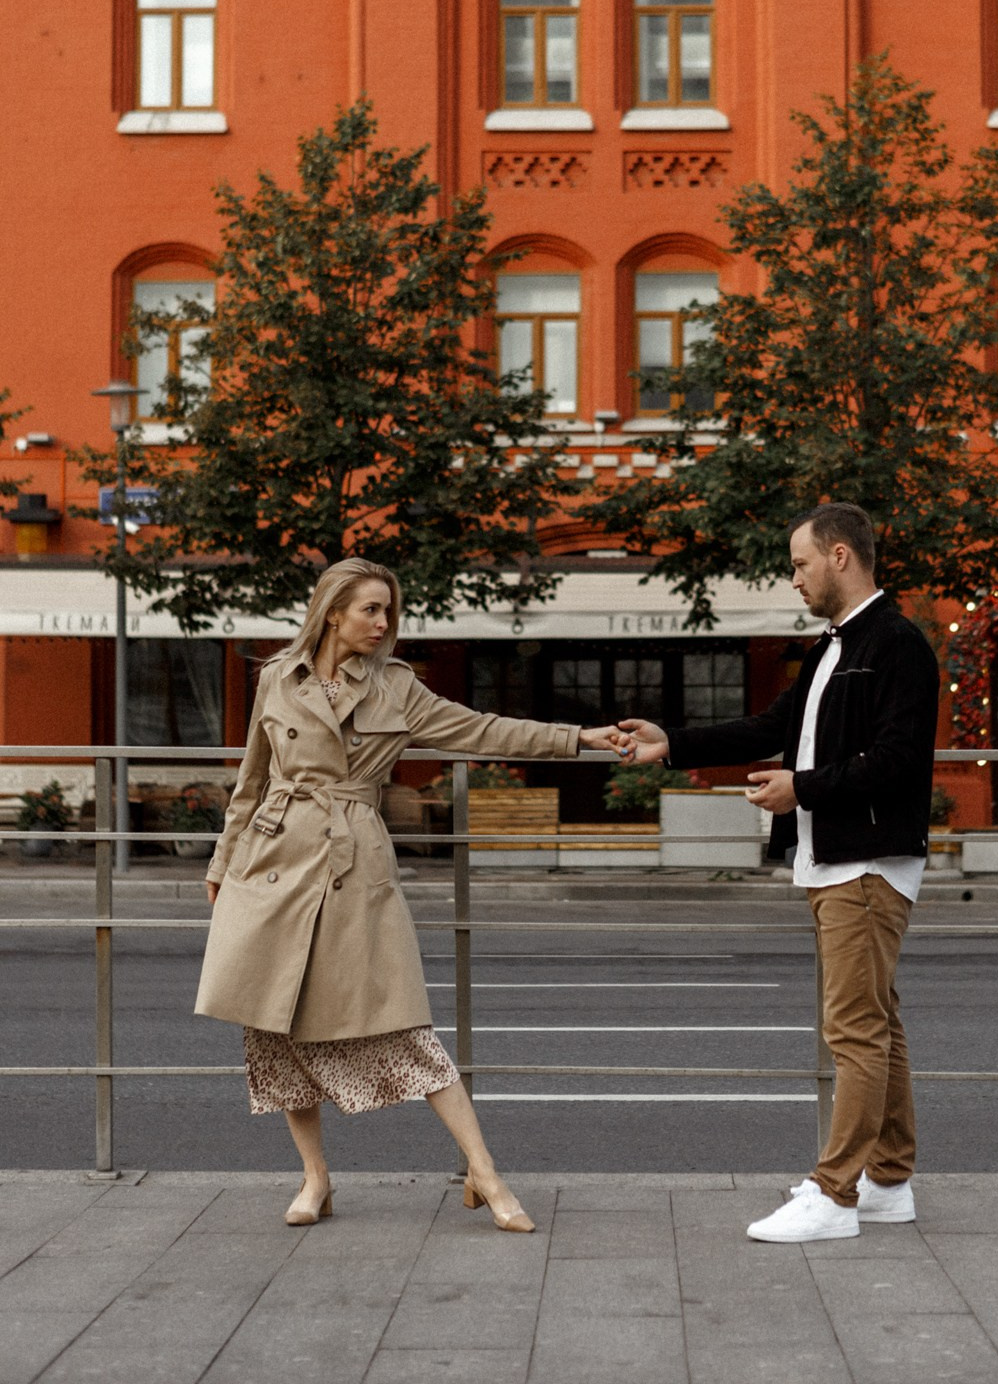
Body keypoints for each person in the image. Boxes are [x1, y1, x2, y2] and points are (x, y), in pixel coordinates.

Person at [196, 556, 623, 1231]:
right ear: (333, 611)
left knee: (406, 1025)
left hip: (354, 864)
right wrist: (223, 860)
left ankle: (484, 1172)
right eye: (370, 609)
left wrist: (577, 738)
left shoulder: (397, 688)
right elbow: (251, 781)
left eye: (388, 611)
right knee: (274, 1026)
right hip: (272, 863)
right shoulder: (278, 679)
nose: (383, 622)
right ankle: (315, 1180)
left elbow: (485, 728)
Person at [618, 502, 938, 1243]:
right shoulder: (832, 647)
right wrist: (672, 744)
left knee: (852, 1029)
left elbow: (897, 761)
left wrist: (804, 787)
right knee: (878, 1024)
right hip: (837, 861)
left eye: (799, 564)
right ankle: (889, 1182)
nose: (792, 577)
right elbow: (771, 727)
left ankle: (834, 1196)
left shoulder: (897, 645)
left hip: (865, 863)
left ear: (839, 557)